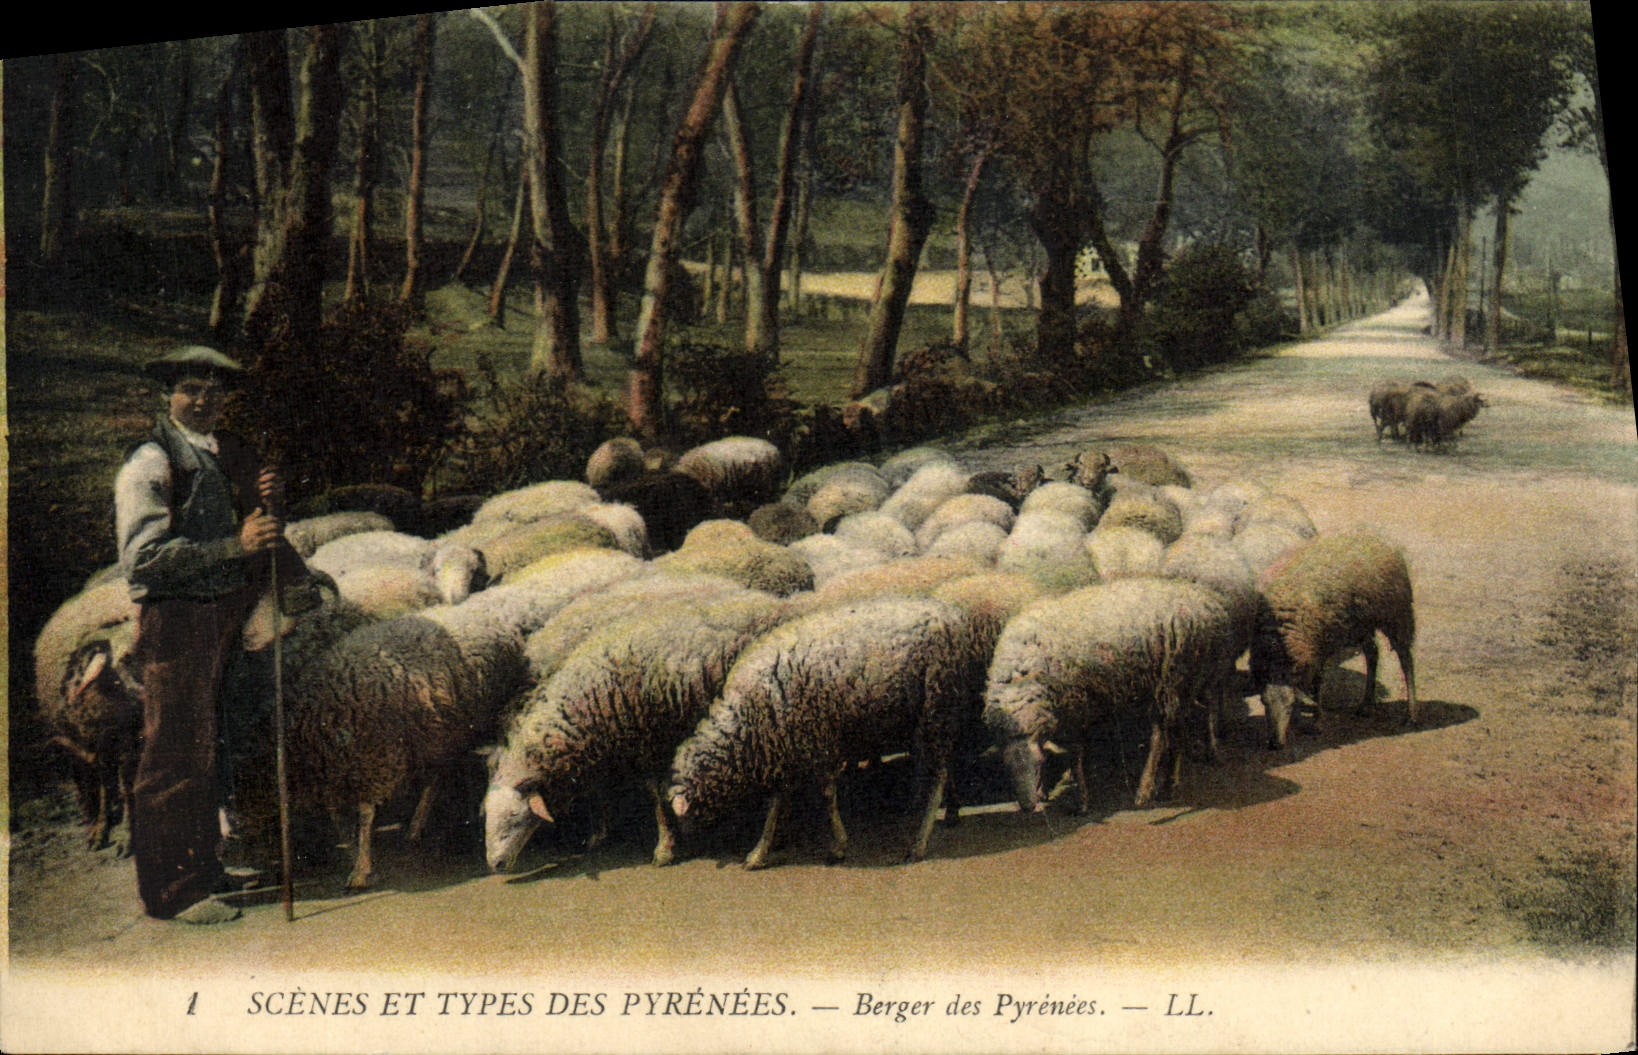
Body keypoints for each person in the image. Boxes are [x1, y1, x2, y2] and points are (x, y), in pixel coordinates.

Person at [115, 345, 313, 924]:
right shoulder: (151, 463)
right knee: (174, 752)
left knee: (211, 747)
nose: (203, 401)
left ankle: (204, 867)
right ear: (168, 395)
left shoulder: (226, 453)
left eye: (214, 391)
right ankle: (173, 893)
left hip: (225, 613)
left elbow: (250, 521)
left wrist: (268, 498)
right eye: (191, 390)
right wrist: (236, 546)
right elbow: (143, 562)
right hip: (177, 621)